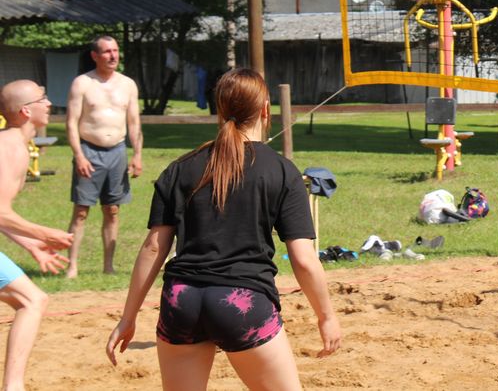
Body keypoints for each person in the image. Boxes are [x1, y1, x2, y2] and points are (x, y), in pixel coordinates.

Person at [106, 68, 341, 389]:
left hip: (181, 301)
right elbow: (303, 259)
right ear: (265, 110)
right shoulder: (283, 171)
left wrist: (128, 317)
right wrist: (326, 316)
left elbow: (153, 248)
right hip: (242, 301)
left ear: (219, 110)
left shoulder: (179, 168)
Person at [0, 80, 75, 390]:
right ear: (26, 111)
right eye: (42, 98)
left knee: (30, 300)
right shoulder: (11, 147)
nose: (48, 103)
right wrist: (43, 233)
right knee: (32, 301)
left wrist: (32, 244)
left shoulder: (14, 143)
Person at [65, 35, 143, 278]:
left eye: (115, 50)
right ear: (95, 56)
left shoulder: (128, 85)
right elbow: (71, 123)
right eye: (107, 51)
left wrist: (137, 154)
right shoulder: (82, 83)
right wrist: (79, 155)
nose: (113, 56)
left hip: (117, 151)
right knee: (81, 211)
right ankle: (72, 266)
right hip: (89, 150)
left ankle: (108, 266)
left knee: (112, 210)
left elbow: (134, 122)